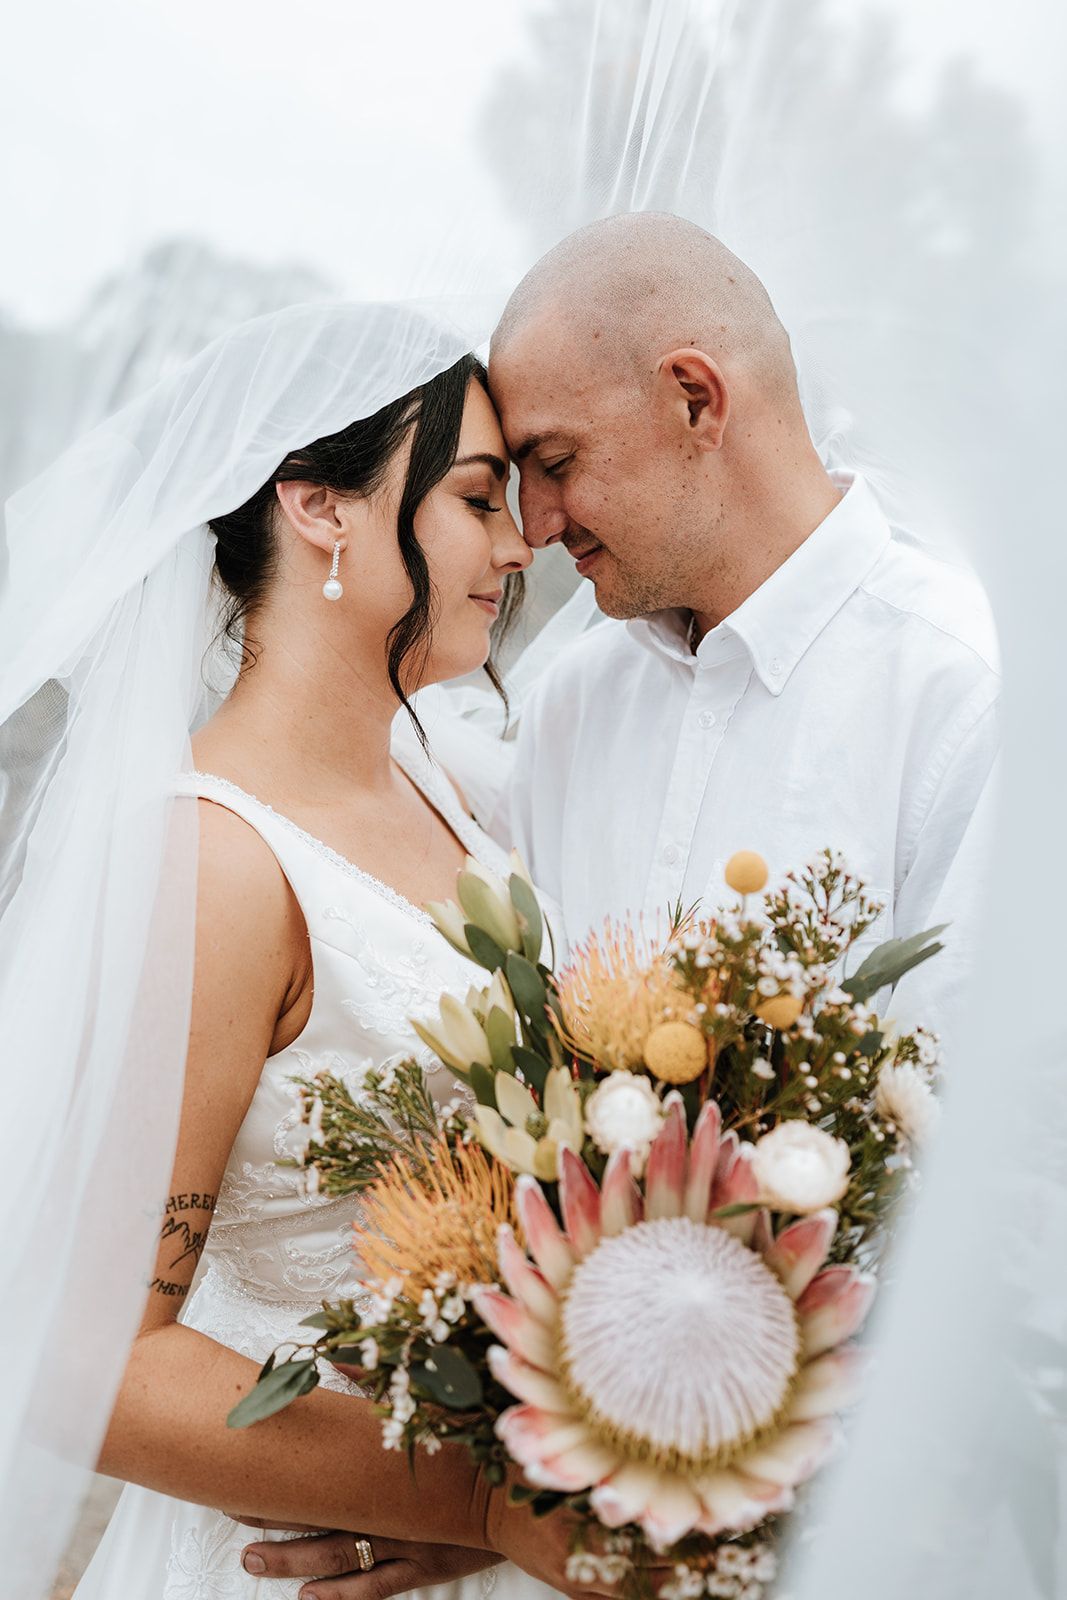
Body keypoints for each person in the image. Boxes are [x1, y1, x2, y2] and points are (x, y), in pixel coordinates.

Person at [0, 304, 657, 1600]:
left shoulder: (441, 787)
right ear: (319, 508)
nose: (519, 543)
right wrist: (491, 1499)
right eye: (476, 498)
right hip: (285, 1566)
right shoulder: (214, 861)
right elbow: (96, 1363)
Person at [488, 212, 998, 1037]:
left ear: (695, 400)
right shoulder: (569, 708)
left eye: (555, 463)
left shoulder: (964, 697)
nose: (536, 525)